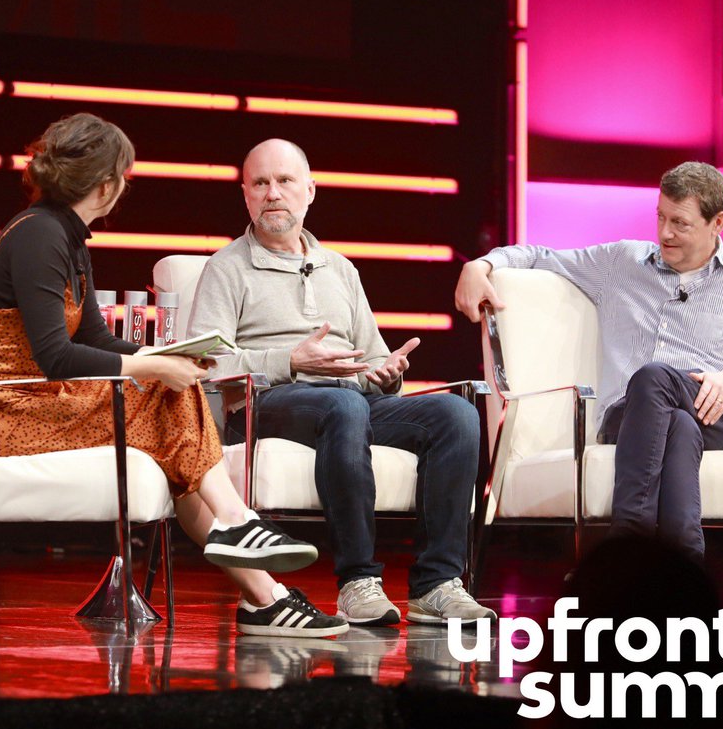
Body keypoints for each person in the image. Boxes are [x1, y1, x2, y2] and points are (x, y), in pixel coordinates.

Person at [0, 114, 346, 638]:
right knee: (165, 395)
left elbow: (95, 339)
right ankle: (239, 527)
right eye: (123, 176)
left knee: (175, 414)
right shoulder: (39, 235)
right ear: (106, 184)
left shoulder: (65, 236)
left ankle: (263, 593)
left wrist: (170, 355)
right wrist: (153, 366)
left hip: (31, 401)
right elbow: (56, 357)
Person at [187, 138, 495, 627]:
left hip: (346, 399)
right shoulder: (226, 268)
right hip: (267, 403)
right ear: (245, 194)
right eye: (260, 183)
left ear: (309, 191)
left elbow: (369, 359)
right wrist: (289, 359)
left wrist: (385, 374)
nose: (273, 193)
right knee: (343, 406)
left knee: (455, 413)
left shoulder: (341, 268)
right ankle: (358, 582)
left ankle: (437, 584)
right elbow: (206, 363)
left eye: (284, 181)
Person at [454, 162, 723, 561]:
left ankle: (626, 549)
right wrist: (481, 264)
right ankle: (684, 568)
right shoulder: (621, 263)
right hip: (628, 417)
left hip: (717, 417)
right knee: (670, 413)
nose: (664, 233)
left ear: (718, 223)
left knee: (659, 384)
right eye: (660, 217)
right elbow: (540, 256)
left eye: (680, 223)